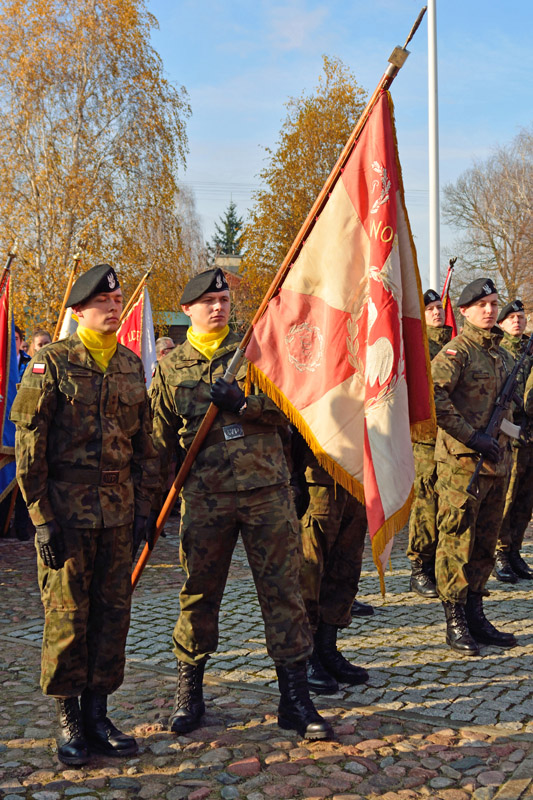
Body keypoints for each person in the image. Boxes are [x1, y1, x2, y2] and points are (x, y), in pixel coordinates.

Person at [150, 267, 332, 740]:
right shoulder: (171, 369)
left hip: (266, 497)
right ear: (187, 310)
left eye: (225, 299)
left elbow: (294, 410)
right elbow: (158, 444)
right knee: (198, 594)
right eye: (208, 301)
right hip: (206, 500)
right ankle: (190, 693)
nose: (219, 307)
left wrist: (244, 404)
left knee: (284, 594)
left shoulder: (258, 352)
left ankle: (294, 700)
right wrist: (148, 510)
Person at [10, 264, 159, 766]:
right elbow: (30, 447)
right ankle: (69, 717)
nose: (114, 308)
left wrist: (145, 507)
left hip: (118, 516)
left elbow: (145, 444)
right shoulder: (50, 363)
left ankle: (99, 712)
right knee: (68, 618)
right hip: (67, 516)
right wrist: (41, 519)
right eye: (103, 302)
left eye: (117, 301)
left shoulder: (130, 364)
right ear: (78, 311)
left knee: (113, 617)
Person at [431, 277, 517, 656]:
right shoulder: (456, 353)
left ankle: (476, 612)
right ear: (464, 311)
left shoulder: (505, 357)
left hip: (497, 464)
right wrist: (470, 436)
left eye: (494, 304)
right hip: (462, 465)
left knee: (484, 542)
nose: (490, 310)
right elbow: (434, 398)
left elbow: (509, 409)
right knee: (456, 541)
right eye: (482, 305)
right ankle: (455, 619)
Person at [297, 450, 369, 695]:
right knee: (310, 572)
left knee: (345, 568)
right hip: (319, 475)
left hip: (358, 474)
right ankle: (304, 656)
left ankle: (327, 648)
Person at [407, 289, 453, 597]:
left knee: (447, 504)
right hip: (424, 437)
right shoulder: (416, 346)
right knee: (425, 503)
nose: (437, 312)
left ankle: (439, 563)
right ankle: (419, 568)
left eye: (439, 307)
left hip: (451, 437)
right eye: (430, 309)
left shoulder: (455, 346)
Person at [493, 300, 533, 582]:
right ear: (502, 323)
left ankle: (515, 549)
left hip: (530, 432)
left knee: (525, 499)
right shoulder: (498, 352)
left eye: (520, 317)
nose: (517, 322)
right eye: (511, 318)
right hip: (510, 432)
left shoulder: (530, 350)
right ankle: (499, 552)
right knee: (507, 497)